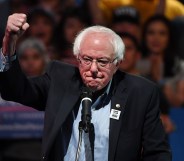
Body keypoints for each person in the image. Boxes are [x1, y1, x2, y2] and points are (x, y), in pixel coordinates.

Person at [0, 13, 171, 161]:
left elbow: (157, 153)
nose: (94, 69)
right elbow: (15, 90)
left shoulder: (141, 93)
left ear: (117, 63)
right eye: (87, 60)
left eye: (103, 61)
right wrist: (9, 45)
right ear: (77, 58)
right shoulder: (60, 79)